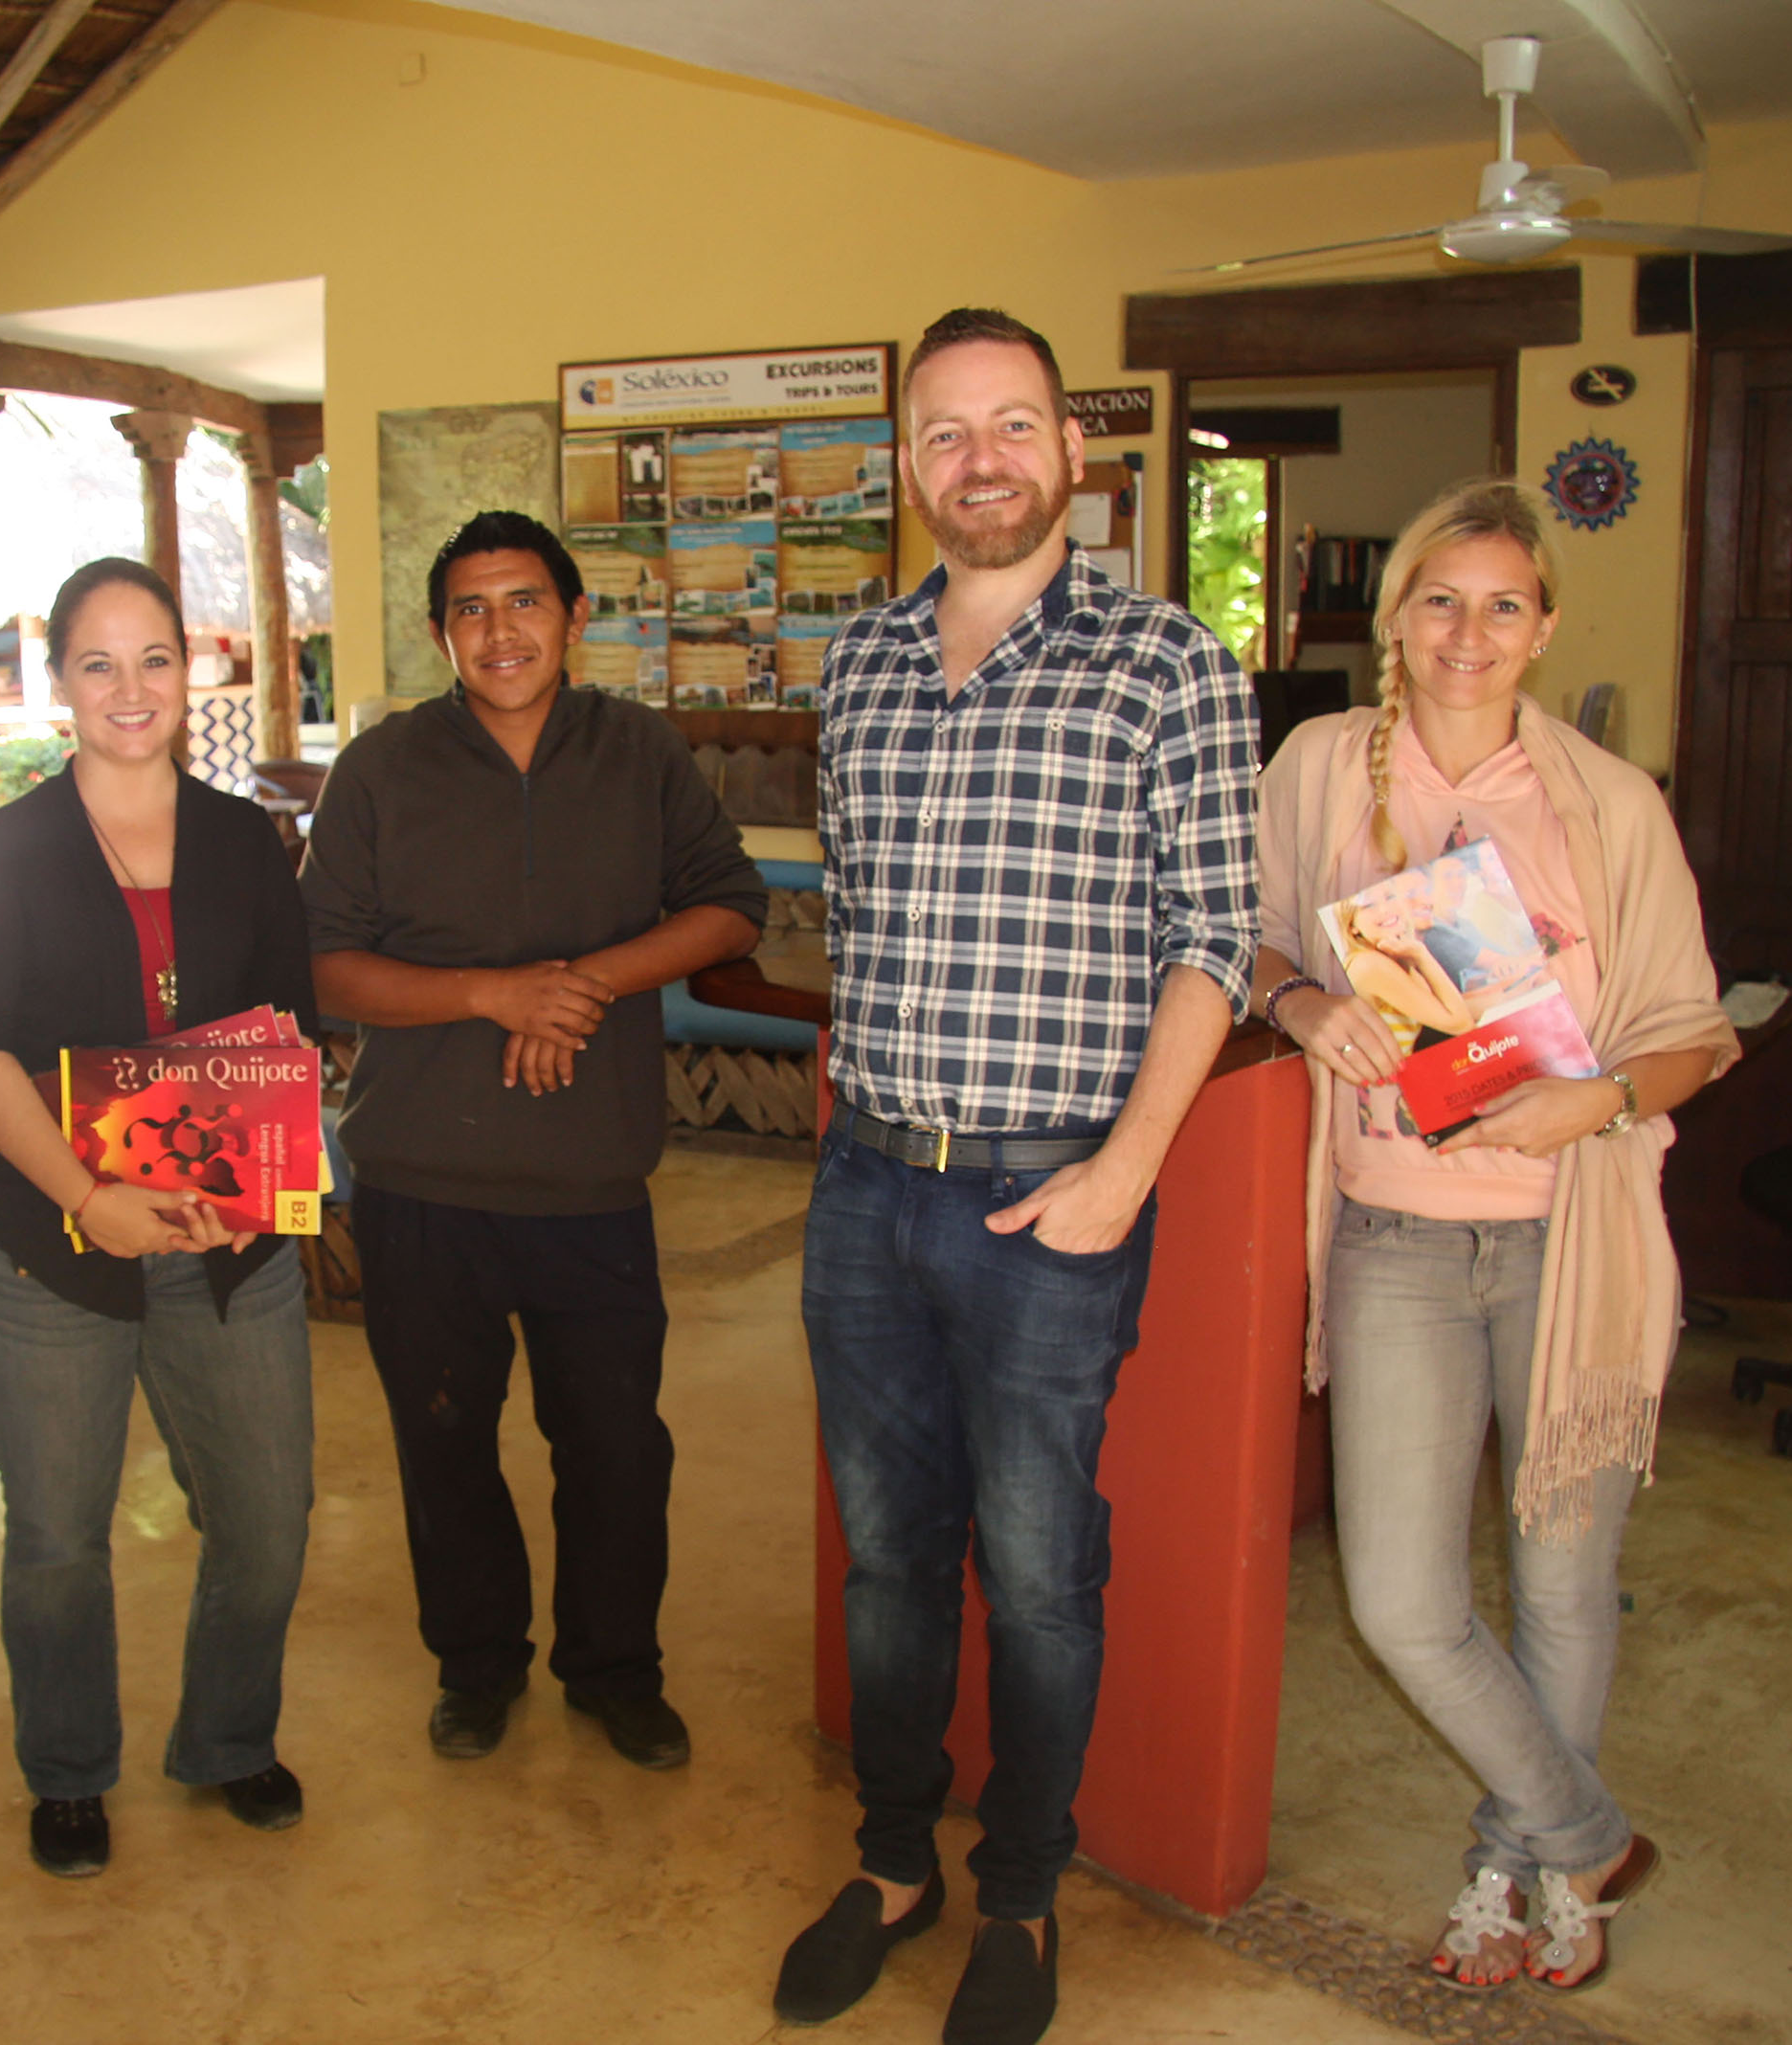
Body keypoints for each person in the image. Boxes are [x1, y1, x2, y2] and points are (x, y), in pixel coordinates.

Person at [775, 309, 1259, 2045]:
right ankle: (895, 1857)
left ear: (1070, 452)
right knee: (888, 1561)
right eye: (944, 433)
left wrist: (1129, 1168)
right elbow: (863, 923)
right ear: (908, 467)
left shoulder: (1169, 665)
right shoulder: (861, 667)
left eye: (1012, 425)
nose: (979, 459)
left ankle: (1027, 1896)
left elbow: (1216, 936)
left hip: (1053, 1206)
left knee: (1041, 1570)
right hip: (865, 1191)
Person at [1252, 479, 1735, 1993]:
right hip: (1395, 1237)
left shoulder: (1609, 800)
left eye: (1503, 605)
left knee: (1562, 1581)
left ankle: (1520, 1870)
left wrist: (1589, 1104)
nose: (1469, 633)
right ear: (1394, 615)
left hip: (1569, 1243)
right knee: (1400, 1598)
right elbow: (1249, 936)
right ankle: (1584, 1832)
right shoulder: (1325, 765)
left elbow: (1697, 1037)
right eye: (1440, 600)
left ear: (1544, 628)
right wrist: (1305, 1001)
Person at [300, 510, 764, 1774]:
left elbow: (730, 907)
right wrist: (492, 995)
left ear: (571, 617)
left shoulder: (639, 753)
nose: (498, 631)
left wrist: (584, 982)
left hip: (589, 1183)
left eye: (523, 603)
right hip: (419, 1186)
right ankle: (477, 1663)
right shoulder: (384, 770)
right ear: (442, 634)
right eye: (470, 610)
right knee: (444, 1438)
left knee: (616, 1446)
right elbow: (323, 963)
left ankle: (616, 1668)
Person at [0, 556, 320, 1881]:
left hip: (223, 1245)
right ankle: (67, 1769)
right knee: (57, 1536)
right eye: (98, 664)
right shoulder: (7, 849)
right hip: (44, 1245)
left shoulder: (243, 841)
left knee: (267, 1524)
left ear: (192, 668)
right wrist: (91, 1198)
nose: (131, 688)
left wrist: (237, 1189)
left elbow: (287, 1031)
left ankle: (226, 1738)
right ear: (57, 688)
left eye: (154, 657)